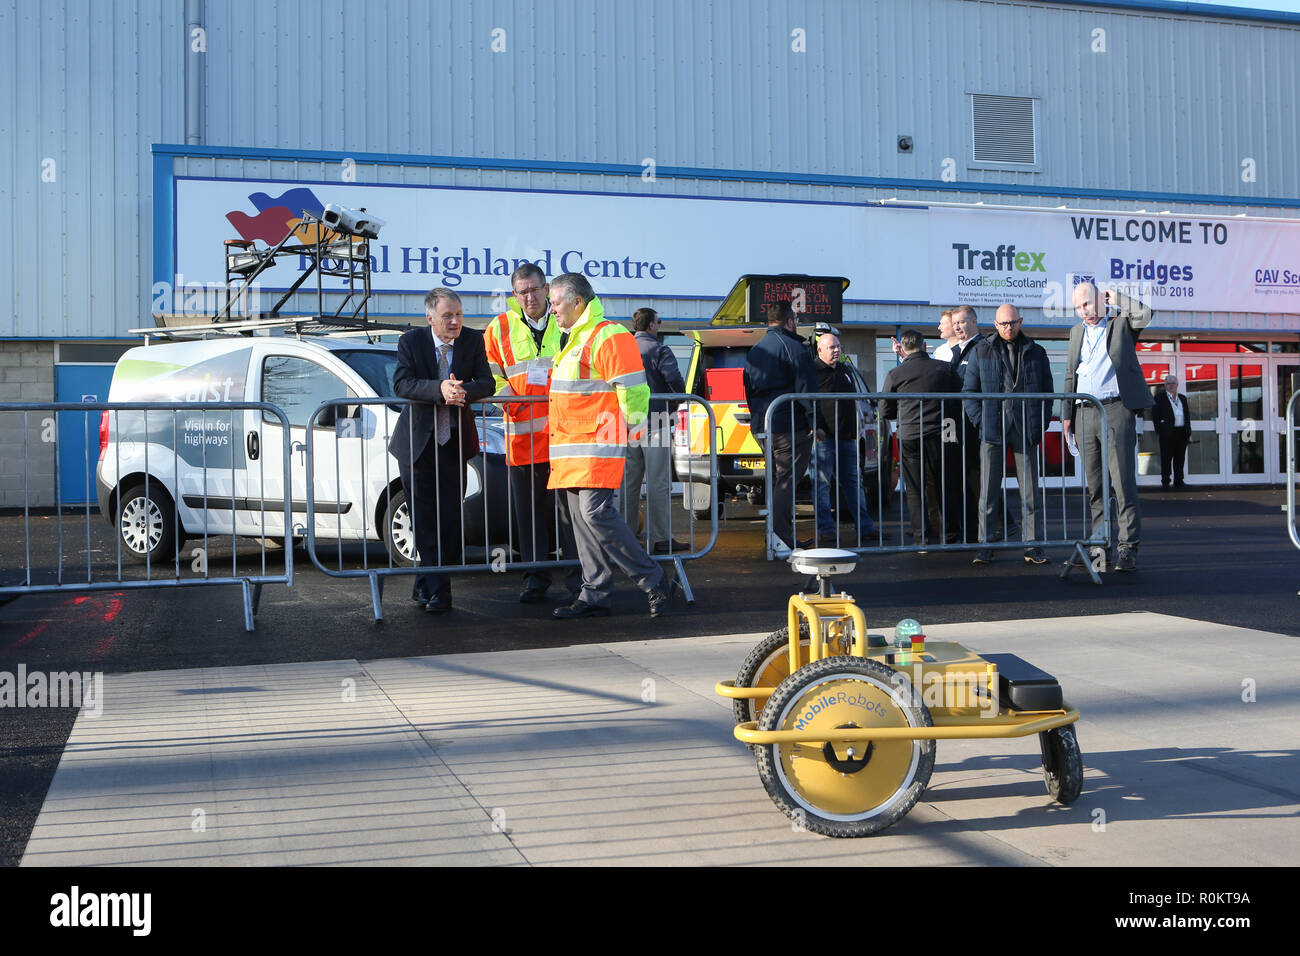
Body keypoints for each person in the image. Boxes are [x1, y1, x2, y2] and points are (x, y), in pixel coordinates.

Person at [545, 273, 671, 619]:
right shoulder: (571, 337)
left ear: (577, 302)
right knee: (581, 522)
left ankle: (654, 579)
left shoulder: (607, 335)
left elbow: (633, 390)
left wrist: (630, 431)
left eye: (555, 302)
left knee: (596, 513)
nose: (551, 309)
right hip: (571, 448)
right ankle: (595, 594)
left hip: (597, 444)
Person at [389, 288, 495, 613]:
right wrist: (439, 389)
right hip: (417, 444)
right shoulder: (412, 342)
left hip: (454, 443)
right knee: (423, 520)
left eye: (459, 315)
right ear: (430, 317)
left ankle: (426, 584)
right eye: (447, 316)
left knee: (449, 520)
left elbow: (488, 383)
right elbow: (402, 384)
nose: (455, 322)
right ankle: (440, 592)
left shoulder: (473, 341)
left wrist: (462, 390)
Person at [484, 263, 581, 605]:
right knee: (528, 517)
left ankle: (578, 580)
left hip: (564, 440)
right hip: (523, 439)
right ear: (514, 295)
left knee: (571, 519)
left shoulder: (565, 321)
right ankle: (535, 578)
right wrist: (503, 397)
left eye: (535, 289)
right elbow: (490, 373)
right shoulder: (499, 329)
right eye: (522, 292)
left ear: (546, 288)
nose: (530, 297)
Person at [1063, 282, 1154, 572]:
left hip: (1116, 409)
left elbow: (1145, 314)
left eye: (1087, 304)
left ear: (1101, 300)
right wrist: (1066, 416)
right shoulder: (1076, 332)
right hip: (1084, 412)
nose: (1083, 311)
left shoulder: (1121, 326)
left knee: (1123, 483)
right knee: (1096, 487)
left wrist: (1115, 297)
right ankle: (1099, 547)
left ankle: (1128, 547)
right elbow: (1069, 375)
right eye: (1078, 307)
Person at [962, 304, 1053, 566]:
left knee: (1030, 494)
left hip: (1025, 429)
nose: (1008, 328)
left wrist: (1041, 423)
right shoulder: (982, 350)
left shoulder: (1037, 352)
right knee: (988, 492)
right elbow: (969, 392)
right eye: (1003, 323)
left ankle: (1032, 546)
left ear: (1020, 321)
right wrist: (981, 422)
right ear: (995, 323)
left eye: (1012, 322)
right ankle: (986, 545)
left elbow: (1048, 391)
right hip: (992, 429)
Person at [743, 300, 818, 557]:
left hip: (763, 425)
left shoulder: (755, 350)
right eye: (796, 320)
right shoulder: (794, 348)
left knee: (777, 480)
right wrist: (813, 422)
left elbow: (749, 391)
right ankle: (782, 538)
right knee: (786, 481)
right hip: (790, 425)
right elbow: (807, 389)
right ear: (790, 321)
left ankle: (776, 536)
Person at [880, 329, 961, 546]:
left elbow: (885, 410)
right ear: (925, 346)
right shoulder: (944, 369)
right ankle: (950, 535)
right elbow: (958, 398)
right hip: (942, 434)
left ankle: (921, 537)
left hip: (910, 434)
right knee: (944, 484)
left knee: (915, 488)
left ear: (903, 349)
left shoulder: (895, 374)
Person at [619, 307, 686, 554]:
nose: (660, 324)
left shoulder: (623, 348)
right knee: (658, 483)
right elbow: (674, 378)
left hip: (629, 422)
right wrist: (677, 399)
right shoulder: (659, 349)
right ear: (652, 325)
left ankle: (625, 537)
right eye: (659, 321)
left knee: (630, 482)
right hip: (656, 420)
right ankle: (660, 538)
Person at [809, 329, 877, 543]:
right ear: (820, 350)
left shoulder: (845, 370)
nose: (837, 350)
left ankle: (865, 528)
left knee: (854, 483)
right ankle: (826, 529)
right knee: (822, 485)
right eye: (832, 347)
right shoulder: (812, 372)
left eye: (838, 346)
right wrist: (814, 426)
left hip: (847, 437)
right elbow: (807, 402)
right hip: (823, 438)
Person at [947, 306, 985, 542]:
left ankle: (980, 531)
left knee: (976, 480)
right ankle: (970, 529)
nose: (957, 327)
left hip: (975, 425)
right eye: (955, 323)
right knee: (964, 479)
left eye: (961, 322)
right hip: (958, 425)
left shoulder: (982, 348)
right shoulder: (957, 351)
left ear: (974, 321)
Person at [1151, 373, 1191, 489]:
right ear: (1165, 385)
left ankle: (1179, 481)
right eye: (1168, 383)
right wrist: (1160, 430)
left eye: (1173, 383)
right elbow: (1155, 416)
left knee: (1180, 458)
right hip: (1167, 433)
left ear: (1177, 385)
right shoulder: (1159, 398)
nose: (1171, 386)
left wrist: (1188, 430)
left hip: (1181, 432)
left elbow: (1187, 415)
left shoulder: (1182, 398)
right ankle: (1165, 481)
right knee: (1166, 458)